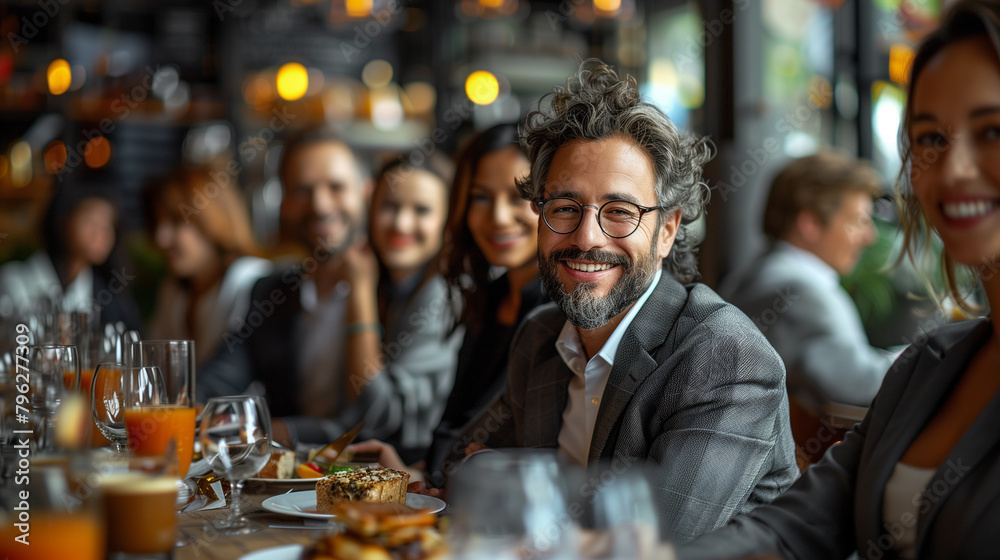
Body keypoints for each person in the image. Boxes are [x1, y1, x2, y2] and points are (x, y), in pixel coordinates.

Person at [679, 2, 1000, 558]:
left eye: (992, 130)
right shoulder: (928, 365)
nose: (954, 170)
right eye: (930, 139)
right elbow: (792, 528)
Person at [449, 60, 798, 545]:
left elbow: (650, 544)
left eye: (620, 212)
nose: (587, 237)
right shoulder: (541, 337)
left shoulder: (724, 356)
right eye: (565, 208)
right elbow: (471, 466)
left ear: (667, 231)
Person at [349, 122, 548, 487]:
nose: (498, 217)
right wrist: (419, 471)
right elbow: (456, 428)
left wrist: (433, 474)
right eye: (481, 197)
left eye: (519, 196)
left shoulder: (558, 312)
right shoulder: (489, 296)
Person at [719, 152, 897, 407]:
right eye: (858, 222)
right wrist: (931, 354)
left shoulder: (757, 274)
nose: (869, 237)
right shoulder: (802, 292)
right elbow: (865, 385)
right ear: (811, 223)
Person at [338, 158, 463, 463]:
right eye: (390, 206)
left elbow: (378, 413)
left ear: (448, 222)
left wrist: (361, 292)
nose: (401, 224)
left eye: (421, 210)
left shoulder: (443, 293)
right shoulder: (395, 287)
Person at [141, 167, 271, 367]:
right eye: (157, 223)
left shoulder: (251, 280)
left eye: (177, 221)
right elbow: (150, 366)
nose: (161, 238)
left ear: (213, 220)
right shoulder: (174, 290)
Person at [0, 189, 142, 331]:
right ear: (62, 222)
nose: (101, 233)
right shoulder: (14, 280)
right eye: (90, 220)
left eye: (109, 224)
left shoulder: (105, 294)